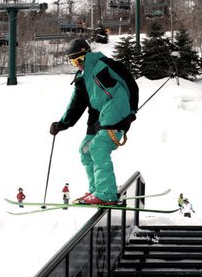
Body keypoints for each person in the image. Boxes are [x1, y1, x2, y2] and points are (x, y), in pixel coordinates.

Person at [49, 38, 139, 206]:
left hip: (116, 109)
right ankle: (96, 189)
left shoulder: (105, 65)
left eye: (80, 60)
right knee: (85, 149)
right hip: (98, 117)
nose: (78, 64)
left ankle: (106, 193)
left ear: (88, 54)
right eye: (73, 61)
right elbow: (76, 104)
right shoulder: (82, 78)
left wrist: (132, 110)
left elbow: (130, 84)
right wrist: (62, 124)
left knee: (98, 146)